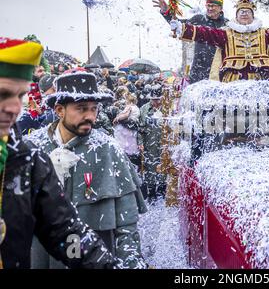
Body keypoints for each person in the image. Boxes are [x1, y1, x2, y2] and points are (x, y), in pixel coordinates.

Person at [0, 37, 117, 269]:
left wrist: (105, 266)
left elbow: (64, 233)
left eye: (20, 96)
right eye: (3, 94)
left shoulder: (25, 159)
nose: (14, 107)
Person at [25, 72, 148, 269]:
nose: (90, 116)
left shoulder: (109, 149)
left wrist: (131, 261)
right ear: (59, 110)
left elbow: (127, 222)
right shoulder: (31, 148)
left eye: (94, 109)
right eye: (81, 109)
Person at [153, 0, 229, 83]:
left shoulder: (227, 24)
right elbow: (179, 25)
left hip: (219, 70)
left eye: (213, 6)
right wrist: (166, 12)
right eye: (208, 6)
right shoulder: (199, 19)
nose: (210, 8)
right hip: (199, 70)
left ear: (220, 8)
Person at [138, 83, 165, 201]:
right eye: (154, 100)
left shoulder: (167, 107)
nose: (156, 103)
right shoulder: (144, 109)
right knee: (150, 166)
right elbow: (139, 128)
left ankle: (163, 189)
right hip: (149, 142)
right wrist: (140, 142)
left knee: (163, 164)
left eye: (158, 100)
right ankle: (152, 191)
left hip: (164, 142)